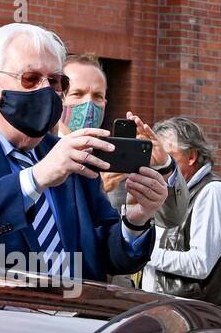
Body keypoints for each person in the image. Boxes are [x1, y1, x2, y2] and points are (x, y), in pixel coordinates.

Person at [0, 23, 166, 283]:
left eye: (56, 81)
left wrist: (135, 220)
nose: (46, 90)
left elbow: (104, 255)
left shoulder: (69, 155)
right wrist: (34, 179)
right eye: (30, 78)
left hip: (79, 326)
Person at [58, 52, 190, 233]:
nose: (89, 103)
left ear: (105, 102)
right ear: (59, 97)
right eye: (77, 94)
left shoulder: (117, 158)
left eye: (97, 96)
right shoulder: (41, 153)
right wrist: (97, 189)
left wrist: (165, 166)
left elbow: (172, 218)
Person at [139, 117, 221, 307]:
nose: (159, 164)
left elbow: (200, 263)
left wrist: (143, 252)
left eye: (167, 157)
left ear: (191, 156)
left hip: (192, 316)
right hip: (165, 310)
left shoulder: (212, 191)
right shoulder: (171, 190)